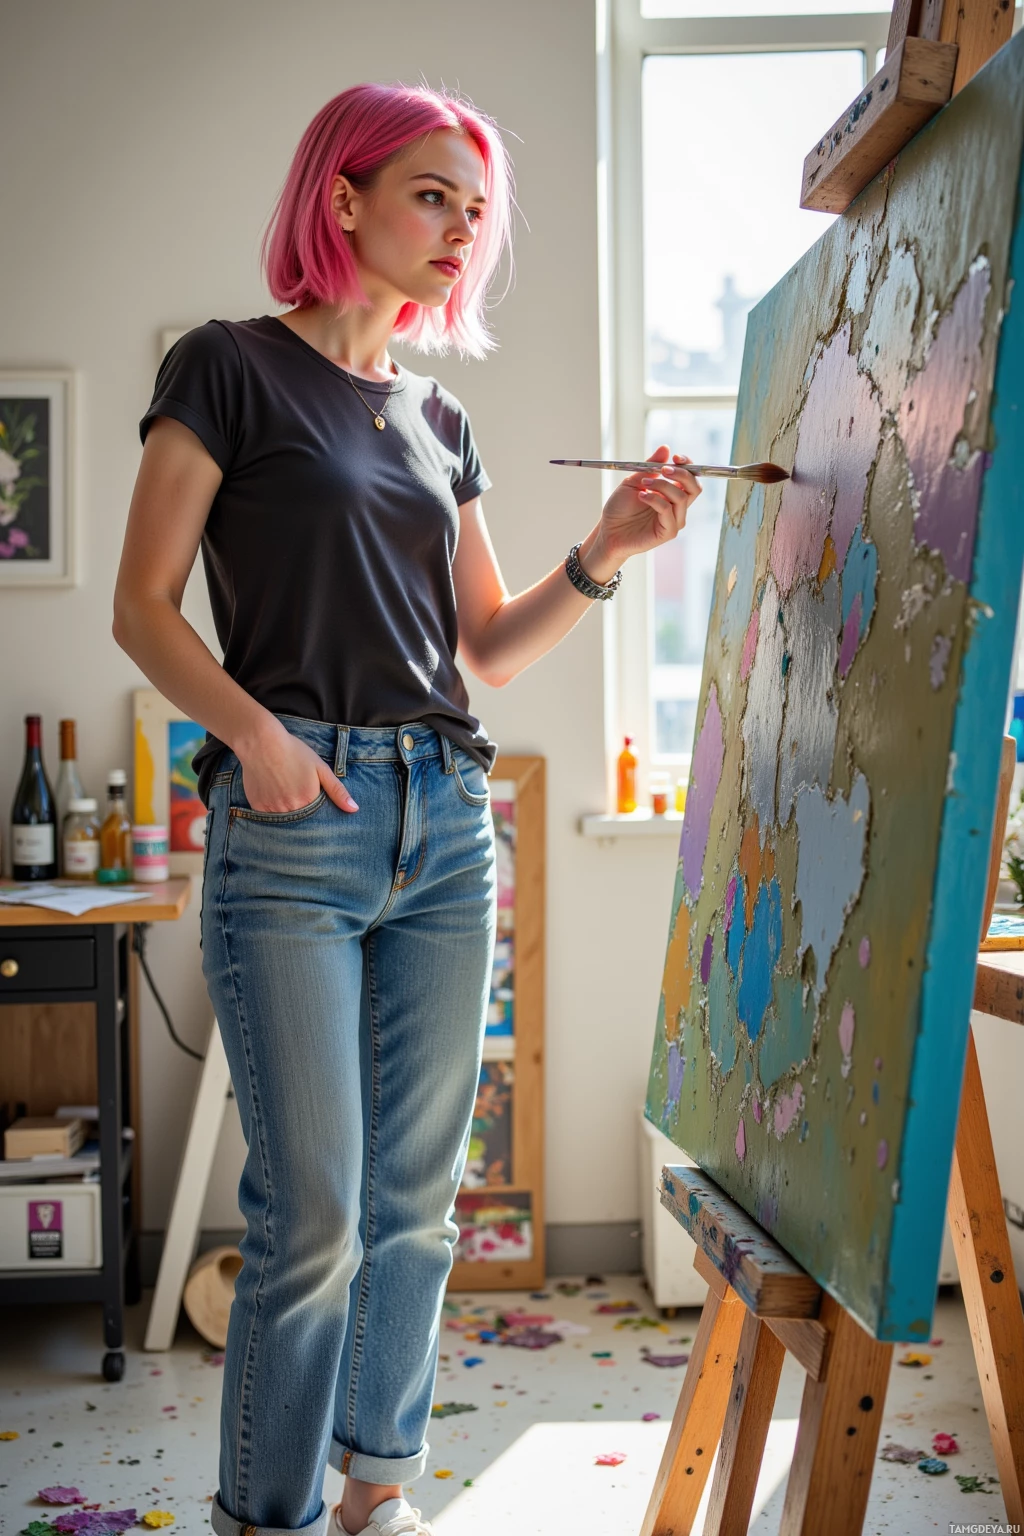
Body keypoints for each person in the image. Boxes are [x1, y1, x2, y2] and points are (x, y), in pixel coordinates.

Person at [113, 81, 699, 1536]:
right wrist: (252, 735)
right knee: (308, 1216)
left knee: (419, 1212)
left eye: (475, 209)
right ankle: (274, 1513)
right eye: (434, 195)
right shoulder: (227, 369)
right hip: (294, 819)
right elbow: (142, 607)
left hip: (444, 823)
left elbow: (483, 649)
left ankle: (379, 1486)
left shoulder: (443, 416)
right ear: (344, 200)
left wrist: (609, 550)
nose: (462, 230)